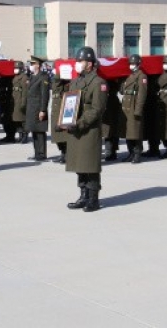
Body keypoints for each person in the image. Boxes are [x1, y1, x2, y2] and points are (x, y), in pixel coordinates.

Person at [60, 46, 108, 212]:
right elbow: (69, 104)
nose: (77, 64)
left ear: (89, 63)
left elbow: (97, 109)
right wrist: (64, 121)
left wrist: (79, 123)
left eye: (80, 61)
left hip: (88, 129)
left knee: (90, 165)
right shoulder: (75, 81)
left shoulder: (98, 83)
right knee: (80, 164)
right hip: (75, 129)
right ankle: (83, 196)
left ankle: (93, 198)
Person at [118, 54, 148, 163]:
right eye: (130, 63)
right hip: (126, 108)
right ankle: (130, 153)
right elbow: (122, 91)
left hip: (134, 106)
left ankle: (137, 153)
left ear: (139, 64)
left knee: (136, 132)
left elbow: (142, 94)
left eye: (134, 63)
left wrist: (138, 109)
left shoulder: (142, 76)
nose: (132, 65)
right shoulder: (128, 76)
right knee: (128, 132)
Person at [25, 56, 50, 161]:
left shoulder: (43, 77)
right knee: (34, 131)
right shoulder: (31, 77)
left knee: (40, 132)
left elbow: (45, 95)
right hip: (31, 108)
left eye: (32, 64)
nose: (30, 66)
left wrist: (43, 110)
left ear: (38, 65)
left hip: (38, 108)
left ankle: (42, 153)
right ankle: (36, 153)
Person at [101, 80, 121, 161]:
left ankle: (112, 151)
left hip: (112, 101)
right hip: (104, 101)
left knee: (113, 128)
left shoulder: (115, 78)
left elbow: (121, 89)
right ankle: (109, 151)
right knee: (106, 130)